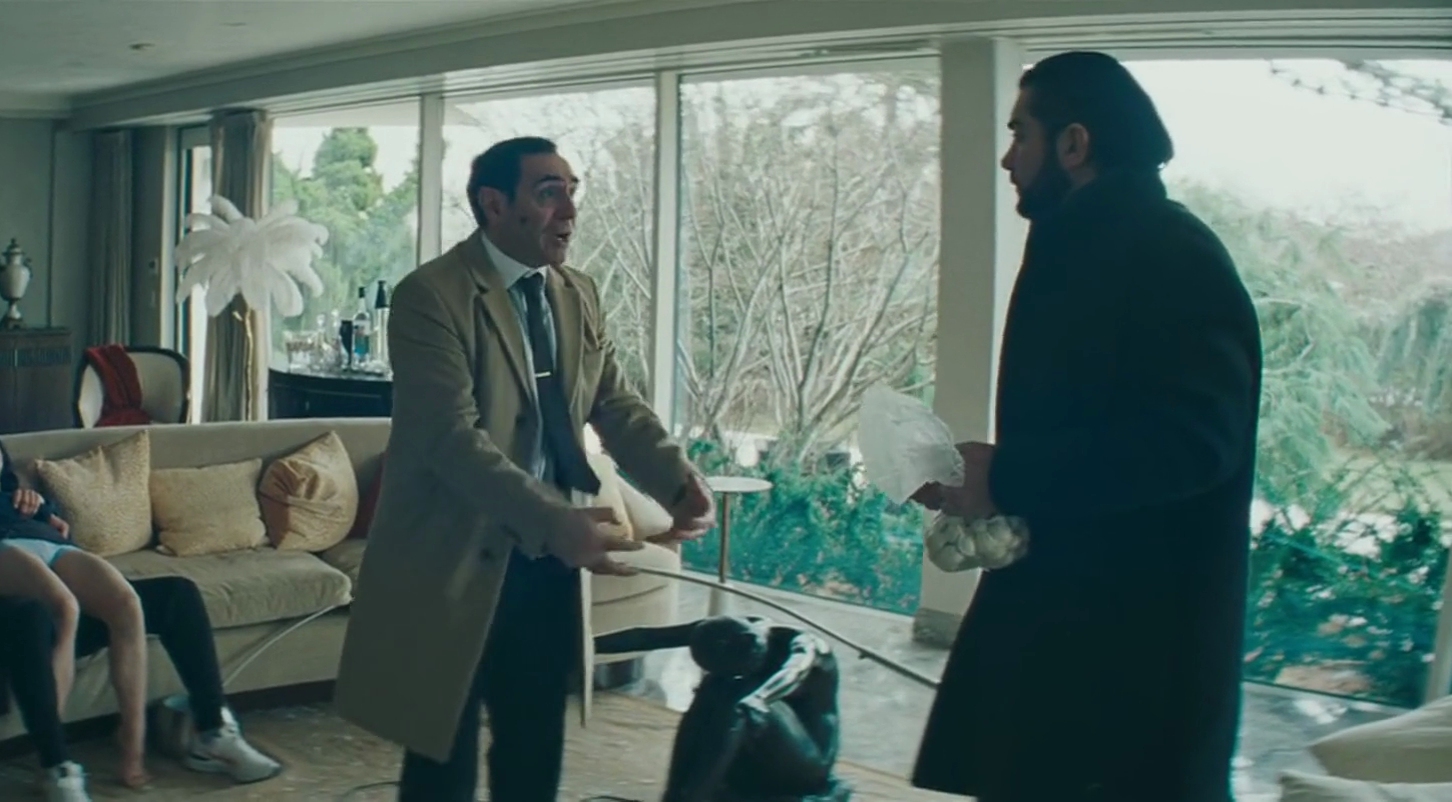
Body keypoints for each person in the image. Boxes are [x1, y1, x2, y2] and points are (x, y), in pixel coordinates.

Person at [908, 51, 1263, 802]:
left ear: (1074, 143)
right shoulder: (1085, 243)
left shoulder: (1173, 252)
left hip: (1129, 661)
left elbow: (1195, 444)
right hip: (1067, 628)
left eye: (1020, 134)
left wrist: (1006, 477)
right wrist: (981, 487)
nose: (1007, 158)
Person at [334, 136, 718, 801]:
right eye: (548, 193)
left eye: (572, 190)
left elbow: (613, 402)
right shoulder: (431, 296)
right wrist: (554, 521)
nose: (569, 209)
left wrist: (677, 481)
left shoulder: (578, 292)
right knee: (440, 756)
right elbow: (449, 437)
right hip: (453, 559)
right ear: (493, 204)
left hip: (546, 565)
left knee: (535, 744)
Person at [0, 431, 280, 802]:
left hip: (60, 590)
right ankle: (57, 767)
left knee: (177, 595)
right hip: (8, 615)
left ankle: (213, 729)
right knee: (33, 615)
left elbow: (55, 543)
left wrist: (42, 511)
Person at [594, 616, 846, 802]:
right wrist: (585, 643)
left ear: (752, 645)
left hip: (807, 764)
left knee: (737, 699)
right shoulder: (724, 629)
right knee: (714, 688)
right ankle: (678, 796)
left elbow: (793, 673)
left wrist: (760, 698)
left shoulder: (805, 646)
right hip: (754, 752)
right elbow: (647, 636)